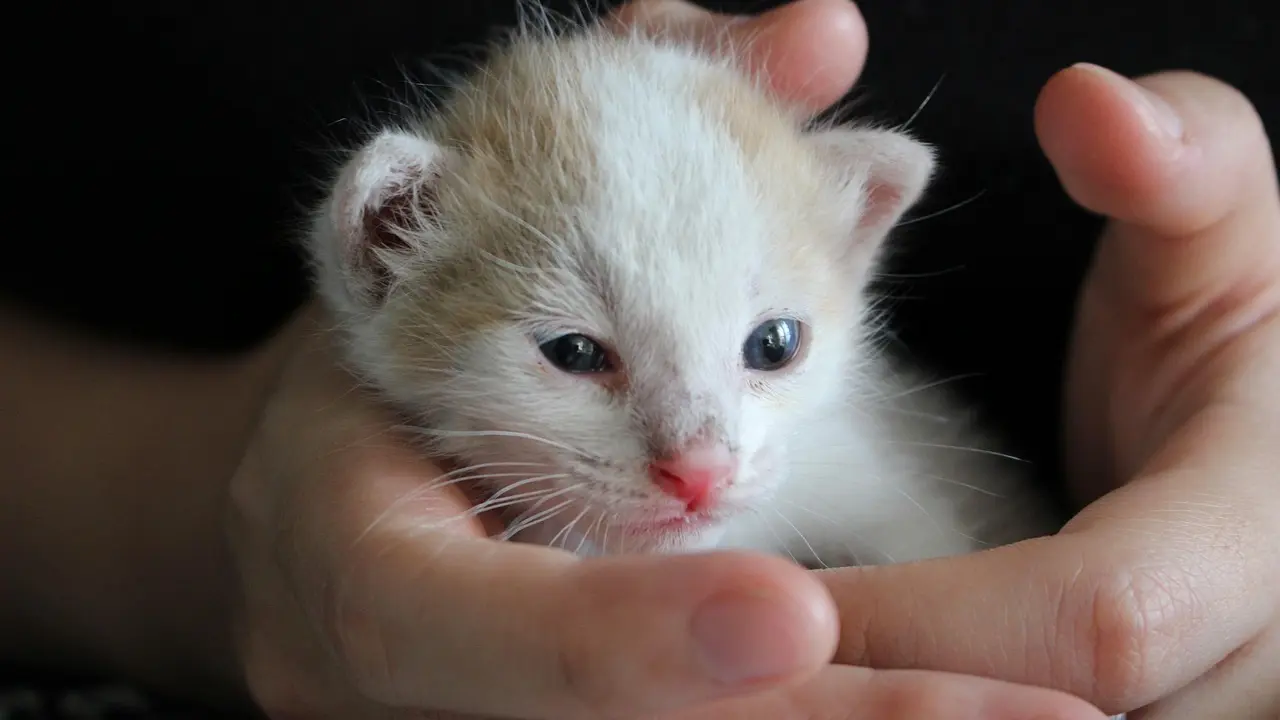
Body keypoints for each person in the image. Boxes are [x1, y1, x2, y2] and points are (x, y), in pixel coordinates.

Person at [1, 0, 1276, 718]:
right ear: (385, 253)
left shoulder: (867, 489)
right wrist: (186, 539)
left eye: (771, 346)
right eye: (574, 352)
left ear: (860, 228)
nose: (697, 459)